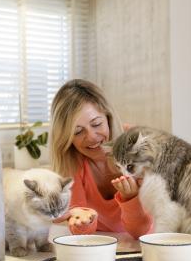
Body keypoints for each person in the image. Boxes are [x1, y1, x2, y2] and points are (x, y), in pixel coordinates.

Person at [50, 79, 153, 239]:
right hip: (102, 246)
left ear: (108, 118)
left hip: (146, 244)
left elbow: (141, 232)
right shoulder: (72, 163)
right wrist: (81, 220)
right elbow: (81, 233)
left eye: (96, 124)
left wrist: (130, 198)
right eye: (78, 132)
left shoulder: (137, 145)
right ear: (67, 138)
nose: (91, 137)